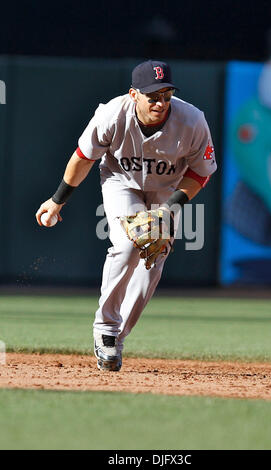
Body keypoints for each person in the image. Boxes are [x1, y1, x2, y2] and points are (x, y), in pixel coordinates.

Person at [35, 60, 217, 372]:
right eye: (153, 96)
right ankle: (105, 328)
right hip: (121, 182)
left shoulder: (192, 121)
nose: (161, 102)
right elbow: (83, 158)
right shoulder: (112, 115)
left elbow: (201, 174)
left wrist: (169, 207)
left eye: (166, 95)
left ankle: (117, 337)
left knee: (154, 256)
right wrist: (57, 201)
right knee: (129, 244)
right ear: (134, 94)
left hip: (167, 188)